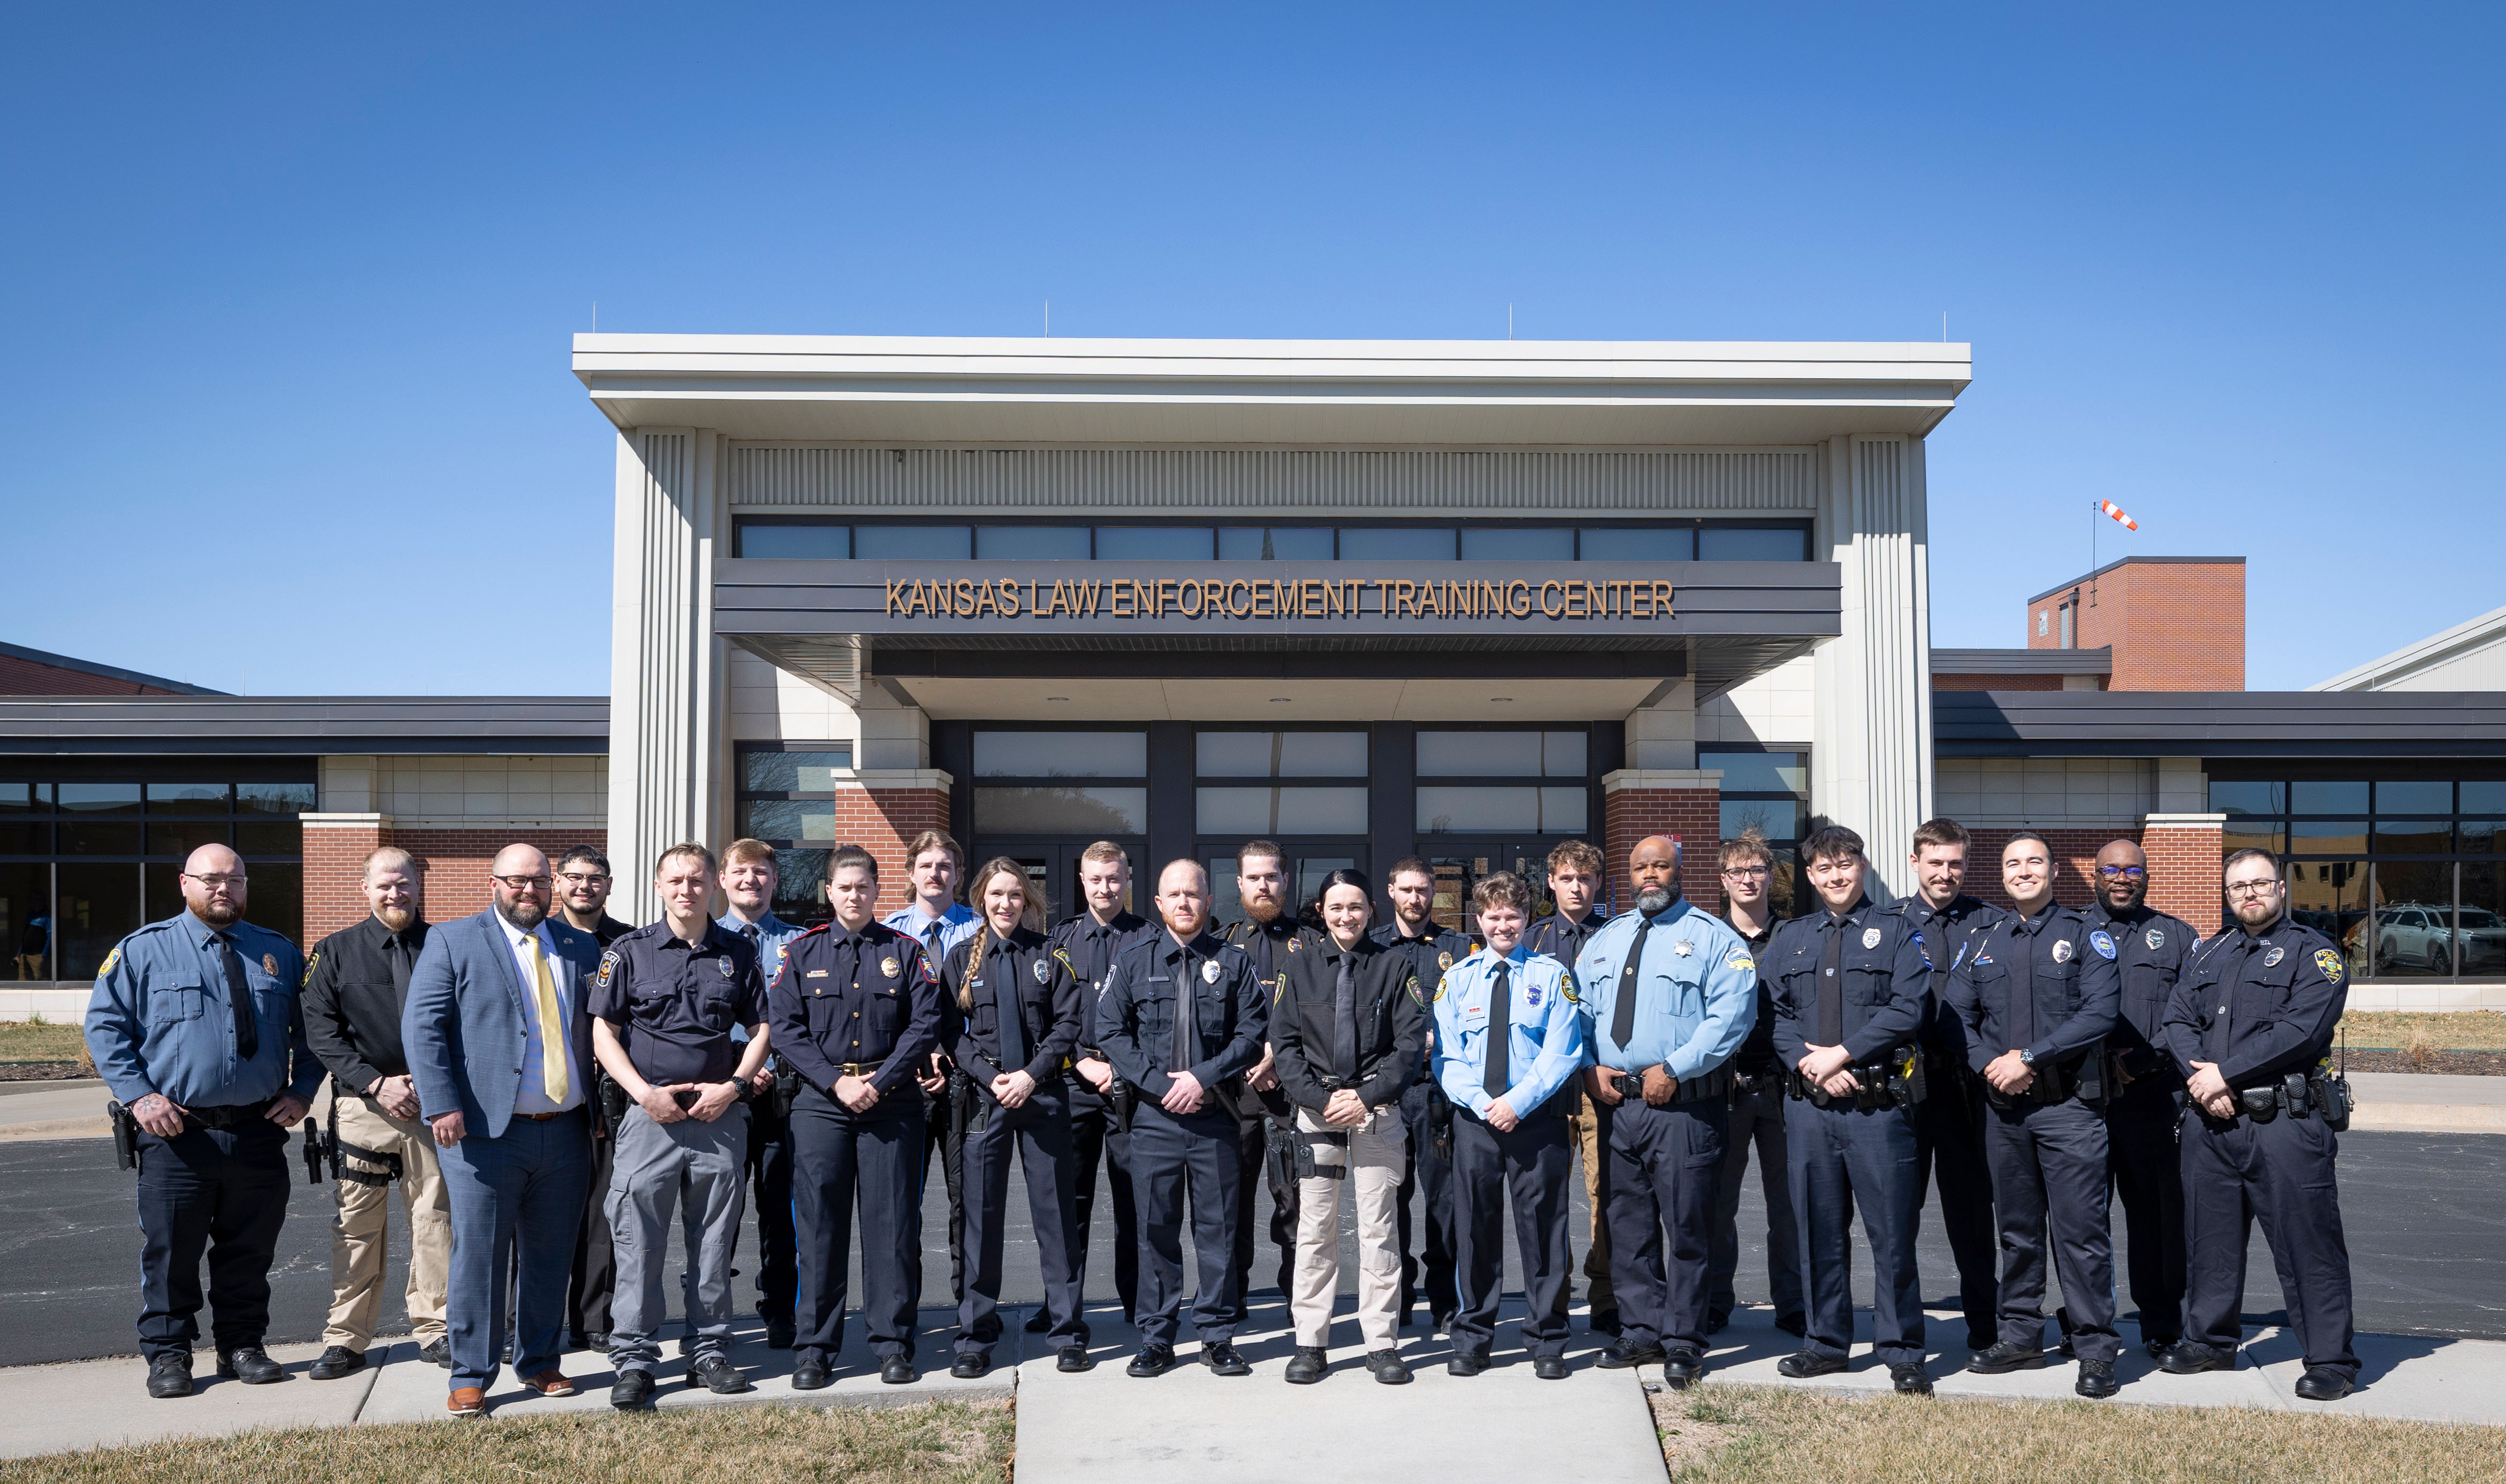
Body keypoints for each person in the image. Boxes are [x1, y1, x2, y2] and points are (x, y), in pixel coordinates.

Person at [83, 843, 320, 1399]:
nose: (224, 889)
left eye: (235, 879)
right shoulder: (143, 950)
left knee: (250, 1251)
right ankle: (170, 1353)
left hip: (258, 1131)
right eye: (211, 879)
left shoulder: (279, 953)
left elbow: (313, 1033)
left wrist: (305, 1090)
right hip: (177, 1135)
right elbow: (106, 1029)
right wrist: (140, 1095)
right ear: (184, 883)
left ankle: (243, 1345)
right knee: (172, 1252)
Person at [402, 844, 604, 1417]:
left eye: (539, 880)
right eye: (517, 880)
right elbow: (424, 1029)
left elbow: (602, 1030)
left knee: (550, 1253)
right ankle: (471, 1371)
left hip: (565, 1129)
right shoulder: (453, 940)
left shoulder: (580, 945)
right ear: (494, 882)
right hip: (485, 1131)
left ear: (554, 886)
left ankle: (539, 1359)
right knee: (480, 1255)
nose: (529, 890)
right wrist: (440, 1104)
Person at [2159, 849, 2358, 1401]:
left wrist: (2224, 1072)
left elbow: (2303, 1029)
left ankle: (2331, 1359)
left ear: (2281, 888)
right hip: (2211, 1120)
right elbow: (2175, 1016)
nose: (2250, 893)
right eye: (2238, 886)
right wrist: (2203, 1080)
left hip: (2285, 1123)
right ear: (2227, 895)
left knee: (2307, 1243)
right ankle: (2210, 1340)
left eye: (2260, 883)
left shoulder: (2314, 953)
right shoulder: (2210, 952)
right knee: (2210, 1239)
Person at [589, 843, 772, 1407]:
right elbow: (603, 1031)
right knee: (638, 1239)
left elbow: (764, 1025)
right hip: (650, 1119)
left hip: (718, 1116)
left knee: (714, 1242)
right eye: (676, 879)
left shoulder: (739, 952)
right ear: (658, 884)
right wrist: (642, 1093)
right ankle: (636, 1359)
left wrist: (735, 1086)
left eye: (697, 879)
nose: (687, 889)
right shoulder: (628, 952)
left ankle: (709, 1351)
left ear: (713, 885)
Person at [1943, 832, 2123, 1398]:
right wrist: (1993, 1067)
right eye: (2013, 863)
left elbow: (2101, 1012)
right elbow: (1955, 1016)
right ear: (2001, 875)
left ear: (2053, 871)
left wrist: (2028, 1057)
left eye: (2035, 862)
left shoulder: (2084, 934)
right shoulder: (1982, 940)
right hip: (2005, 1109)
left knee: (2081, 1232)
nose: (2024, 871)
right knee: (2017, 1231)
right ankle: (2020, 1333)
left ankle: (2095, 1347)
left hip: (2067, 1105)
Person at [1576, 835, 1756, 1386]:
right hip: (1618, 1106)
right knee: (1626, 1224)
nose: (1649, 874)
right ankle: (1640, 1329)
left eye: (1660, 865)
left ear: (1679, 870)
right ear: (1627, 876)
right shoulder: (1606, 939)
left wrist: (1675, 1067)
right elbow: (1578, 1010)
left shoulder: (1712, 937)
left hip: (1683, 1108)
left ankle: (1683, 1339)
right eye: (1639, 867)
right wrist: (1588, 1064)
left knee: (1688, 1225)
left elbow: (1731, 1016)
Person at [1764, 825, 1933, 1395]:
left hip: (1878, 1109)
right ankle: (1826, 1342)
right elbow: (1774, 1016)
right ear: (1809, 875)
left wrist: (1842, 1054)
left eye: (1845, 863)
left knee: (1891, 1233)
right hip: (1811, 1110)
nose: (1836, 875)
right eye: (1824, 867)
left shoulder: (1898, 931)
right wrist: (1810, 1064)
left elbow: (1910, 1008)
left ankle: (1903, 1348)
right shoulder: (1791, 937)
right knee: (1818, 1229)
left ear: (1862, 865)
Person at [773, 845, 944, 1389]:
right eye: (844, 886)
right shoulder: (801, 953)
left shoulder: (906, 951)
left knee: (892, 1224)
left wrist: (879, 1080)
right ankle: (815, 1349)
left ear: (878, 890)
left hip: (890, 1101)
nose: (854, 894)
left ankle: (893, 1343)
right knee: (819, 1226)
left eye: (863, 886)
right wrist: (836, 1081)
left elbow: (925, 1024)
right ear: (829, 892)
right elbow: (785, 1028)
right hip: (822, 1103)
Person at [1095, 859, 1267, 1379]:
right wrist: (1162, 1083)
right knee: (1155, 1229)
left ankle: (1216, 1336)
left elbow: (1252, 1030)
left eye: (1193, 893)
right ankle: (1157, 1336)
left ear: (1208, 900)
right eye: (1174, 894)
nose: (1185, 902)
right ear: (1159, 902)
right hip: (1153, 1120)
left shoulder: (1233, 961)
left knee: (1218, 1229)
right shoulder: (1133, 960)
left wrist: (1199, 1077)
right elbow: (1109, 1030)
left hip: (1215, 1115)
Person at [1271, 868, 1427, 1386]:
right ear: (1321, 911)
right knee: (1315, 1231)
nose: (1346, 916)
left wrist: (1362, 1098)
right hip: (1317, 1115)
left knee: (1379, 1230)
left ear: (1370, 910)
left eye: (1355, 907)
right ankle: (1311, 1342)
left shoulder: (1394, 965)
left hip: (1376, 1115)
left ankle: (1381, 1344)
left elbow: (1408, 1048)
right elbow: (1286, 1048)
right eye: (1336, 907)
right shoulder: (1299, 966)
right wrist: (1323, 1100)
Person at [300, 846, 450, 1379]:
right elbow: (321, 1032)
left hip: (436, 1110)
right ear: (364, 889)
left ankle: (437, 1328)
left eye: (404, 883)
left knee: (436, 1220)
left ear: (418, 885)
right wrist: (377, 1082)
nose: (395, 893)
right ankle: (346, 1338)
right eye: (385, 885)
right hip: (365, 1106)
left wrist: (435, 1086)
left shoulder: (446, 945)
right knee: (358, 1225)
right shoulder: (334, 952)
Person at [939, 859, 1089, 1376]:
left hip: (1042, 1096)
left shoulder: (1049, 954)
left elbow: (1069, 1022)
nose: (1007, 903)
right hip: (987, 1099)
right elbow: (950, 1032)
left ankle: (1068, 1331)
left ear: (1029, 901)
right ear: (982, 897)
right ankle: (976, 1333)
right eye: (998, 894)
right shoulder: (961, 958)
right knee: (981, 1219)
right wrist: (989, 1075)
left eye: (1016, 895)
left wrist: (1031, 1073)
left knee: (1056, 1220)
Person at [1432, 871, 1585, 1380]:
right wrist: (1480, 1102)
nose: (1503, 925)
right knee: (1474, 1229)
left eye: (1513, 915)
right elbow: (1447, 1056)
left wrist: (1517, 1103)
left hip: (1534, 1120)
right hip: (1476, 1121)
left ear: (1525, 919)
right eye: (1493, 916)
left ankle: (1547, 1338)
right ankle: (1473, 1336)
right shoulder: (1457, 979)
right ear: (1478, 920)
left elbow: (1563, 1050)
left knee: (1544, 1230)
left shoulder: (1552, 975)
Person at [1890, 817, 2005, 1353]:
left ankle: (1985, 1325)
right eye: (1935, 862)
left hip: (1967, 1089)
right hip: (1906, 1090)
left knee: (1972, 1214)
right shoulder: (1888, 923)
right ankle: (1901, 1328)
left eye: (1955, 863)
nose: (1946, 873)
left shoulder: (1993, 924)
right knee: (1898, 1212)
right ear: (1915, 862)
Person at [2085, 837, 2197, 1360]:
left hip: (2151, 1099)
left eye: (2133, 869)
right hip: (2081, 1099)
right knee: (2080, 1220)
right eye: (2112, 868)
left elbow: (2190, 1018)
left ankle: (2161, 1323)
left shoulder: (2176, 937)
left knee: (2155, 1218)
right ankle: (2082, 1323)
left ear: (2147, 875)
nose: (2123, 877)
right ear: (2095, 874)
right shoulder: (2070, 932)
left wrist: (2145, 1062)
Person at [1049, 841, 1156, 1327]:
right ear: (1082, 880)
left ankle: (1140, 1305)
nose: (1105, 888)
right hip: (1074, 1083)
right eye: (1095, 879)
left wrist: (1124, 1066)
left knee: (1135, 1199)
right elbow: (1046, 1019)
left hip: (1132, 1087)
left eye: (1113, 878)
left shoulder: (1151, 939)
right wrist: (1077, 1061)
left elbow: (1160, 1020)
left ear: (1127, 879)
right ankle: (1062, 1308)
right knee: (1068, 1202)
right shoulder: (1060, 941)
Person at [1703, 830, 1805, 1340]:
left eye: (1757, 870)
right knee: (1717, 1203)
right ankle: (1715, 1301)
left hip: (1782, 1088)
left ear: (1771, 876)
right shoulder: (1707, 938)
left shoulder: (1795, 936)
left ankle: (1792, 1303)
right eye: (1737, 871)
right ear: (1723, 880)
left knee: (1787, 1203)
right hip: (1723, 1089)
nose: (1748, 879)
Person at [1372, 856, 1472, 1334]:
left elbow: (1472, 1014)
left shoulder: (1457, 948)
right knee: (1390, 1201)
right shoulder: (1369, 948)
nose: (1415, 899)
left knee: (1442, 1201)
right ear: (1391, 890)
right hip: (1386, 1093)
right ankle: (1397, 1300)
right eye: (1406, 889)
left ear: (1434, 894)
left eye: (1423, 890)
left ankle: (1444, 1302)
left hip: (1436, 1095)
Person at [717, 838, 809, 1349]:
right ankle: (711, 1317)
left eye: (760, 872)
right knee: (718, 1212)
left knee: (780, 1212)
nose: (750, 880)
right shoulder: (705, 941)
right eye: (740, 872)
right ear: (723, 881)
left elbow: (805, 1018)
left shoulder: (800, 943)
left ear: (775, 880)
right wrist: (742, 1066)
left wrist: (772, 1065)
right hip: (724, 1098)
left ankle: (780, 1310)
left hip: (785, 1098)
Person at [1218, 839, 1318, 1307]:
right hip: (1234, 1096)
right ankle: (1230, 1294)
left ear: (1285, 881)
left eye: (1271, 876)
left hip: (1291, 1097)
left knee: (1294, 1202)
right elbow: (1209, 1021)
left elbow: (1323, 1015)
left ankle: (1298, 1296)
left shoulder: (1313, 944)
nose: (1263, 885)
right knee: (1229, 1200)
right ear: (1239, 884)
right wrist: (1248, 1058)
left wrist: (1278, 1055)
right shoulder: (1221, 944)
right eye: (1253, 878)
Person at [882, 830, 979, 1307]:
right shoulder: (889, 933)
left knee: (969, 1202)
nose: (935, 874)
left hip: (969, 1083)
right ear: (910, 874)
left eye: (945, 866)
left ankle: (971, 1307)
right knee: (904, 1204)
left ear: (958, 875)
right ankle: (905, 1309)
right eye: (926, 865)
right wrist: (920, 1057)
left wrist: (951, 1053)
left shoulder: (983, 930)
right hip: (906, 1085)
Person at [1525, 838, 1617, 1335]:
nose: (1576, 887)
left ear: (1598, 883)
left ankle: (1606, 1298)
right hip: (1545, 1088)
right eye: (1566, 878)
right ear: (1552, 882)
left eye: (1585, 878)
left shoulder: (1618, 936)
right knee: (1546, 1194)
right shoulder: (1533, 940)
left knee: (1606, 1193)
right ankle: (1551, 1299)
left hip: (1600, 1086)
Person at [553, 844, 631, 1353]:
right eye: (574, 877)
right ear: (557, 882)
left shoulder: (628, 944)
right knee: (540, 1213)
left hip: (609, 1096)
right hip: (549, 1094)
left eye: (595, 877)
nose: (585, 886)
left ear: (608, 884)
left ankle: (594, 1319)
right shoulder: (538, 938)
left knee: (604, 1210)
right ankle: (523, 1322)